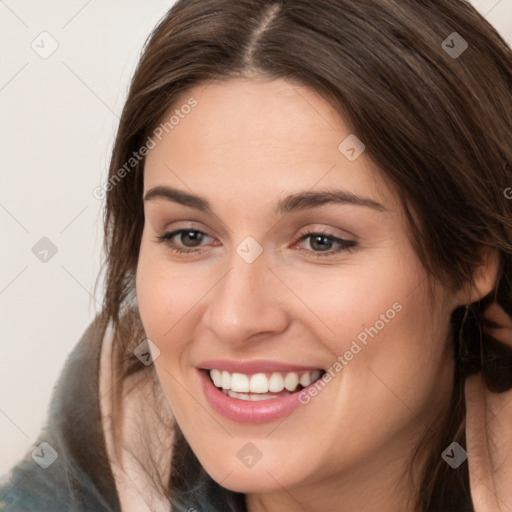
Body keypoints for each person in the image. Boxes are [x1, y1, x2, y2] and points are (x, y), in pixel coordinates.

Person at [1, 0, 512, 511]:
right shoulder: (91, 451)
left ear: (470, 259)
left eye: (320, 241)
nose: (235, 318)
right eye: (190, 236)